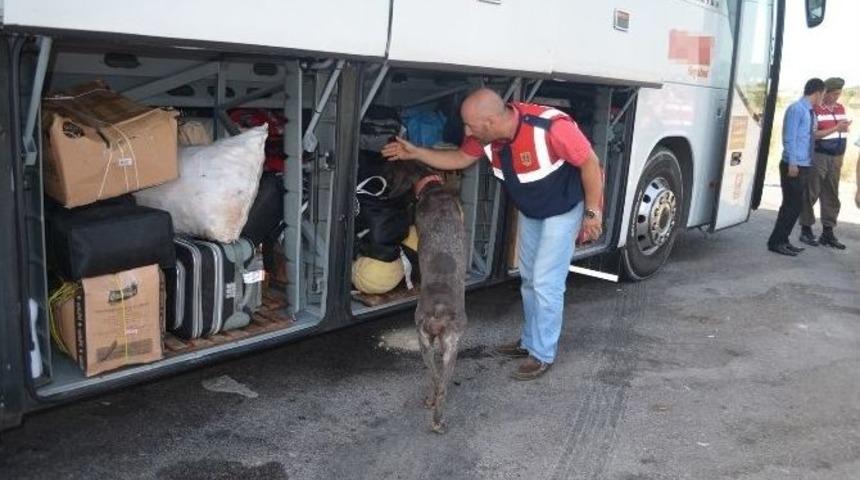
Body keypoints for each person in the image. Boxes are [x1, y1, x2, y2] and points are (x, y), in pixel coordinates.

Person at [382, 88, 603, 380]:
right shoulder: (486, 137)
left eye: (470, 125)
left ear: (489, 122)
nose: (466, 131)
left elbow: (590, 163)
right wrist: (416, 152)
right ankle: (529, 342)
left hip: (563, 208)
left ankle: (543, 354)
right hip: (534, 210)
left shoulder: (551, 128)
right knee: (529, 279)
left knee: (546, 283)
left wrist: (592, 213)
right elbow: (460, 159)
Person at [767, 78, 827, 256]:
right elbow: (789, 138)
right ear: (816, 93)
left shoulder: (811, 113)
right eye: (823, 94)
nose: (822, 98)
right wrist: (792, 162)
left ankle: (784, 240)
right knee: (790, 205)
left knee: (796, 205)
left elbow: (810, 136)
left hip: (805, 163)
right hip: (794, 164)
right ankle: (776, 242)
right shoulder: (796, 109)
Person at [799, 77, 851, 249]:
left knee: (832, 193)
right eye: (834, 93)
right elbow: (812, 134)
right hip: (819, 155)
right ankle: (806, 229)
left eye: (839, 94)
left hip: (837, 157)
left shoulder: (840, 108)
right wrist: (836, 129)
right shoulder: (815, 109)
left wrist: (843, 129)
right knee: (811, 191)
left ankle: (828, 232)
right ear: (825, 92)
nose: (837, 97)